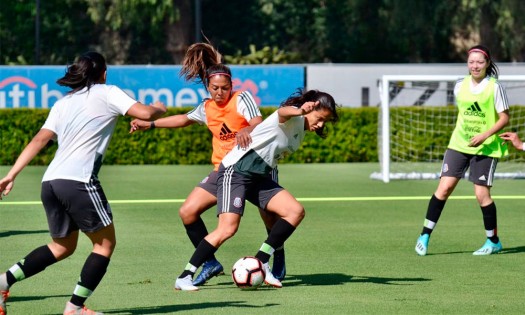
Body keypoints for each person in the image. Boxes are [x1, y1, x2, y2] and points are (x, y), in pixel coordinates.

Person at [0, 51, 166, 315]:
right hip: (78, 181)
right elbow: (145, 112)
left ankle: (2, 282)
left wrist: (11, 174)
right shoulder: (107, 91)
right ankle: (75, 308)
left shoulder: (63, 103)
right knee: (104, 245)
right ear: (103, 73)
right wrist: (159, 107)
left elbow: (39, 140)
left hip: (51, 181)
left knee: (61, 246)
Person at [129, 42, 287, 286]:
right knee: (188, 212)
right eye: (215, 88)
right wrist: (149, 124)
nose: (220, 93)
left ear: (232, 86)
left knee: (270, 217)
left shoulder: (241, 98)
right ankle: (210, 262)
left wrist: (246, 128)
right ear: (207, 86)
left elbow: (258, 121)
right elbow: (183, 119)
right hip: (224, 173)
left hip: (254, 168)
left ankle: (277, 258)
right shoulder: (206, 107)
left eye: (224, 88)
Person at [174, 89, 339, 291]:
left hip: (258, 177)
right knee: (227, 229)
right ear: (309, 107)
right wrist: (299, 110)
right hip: (236, 172)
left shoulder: (301, 131)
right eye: (320, 118)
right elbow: (283, 112)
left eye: (325, 121)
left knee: (295, 211)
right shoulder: (291, 118)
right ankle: (185, 276)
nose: (321, 124)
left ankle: (261, 261)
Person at [414, 45, 510, 256]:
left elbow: (504, 117)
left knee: (481, 194)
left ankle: (493, 241)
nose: (475, 66)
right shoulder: (459, 85)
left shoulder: (495, 87)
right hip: (459, 144)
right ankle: (424, 235)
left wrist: (484, 135)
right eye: (471, 62)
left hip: (486, 146)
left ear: (487, 64)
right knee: (444, 188)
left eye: (480, 62)